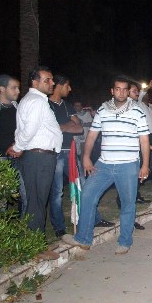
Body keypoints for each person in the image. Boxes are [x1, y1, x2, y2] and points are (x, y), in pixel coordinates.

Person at [63, 76, 150, 255]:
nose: (121, 92)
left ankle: (125, 241)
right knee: (87, 195)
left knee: (127, 204)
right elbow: (92, 135)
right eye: (117, 89)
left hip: (128, 165)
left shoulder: (137, 111)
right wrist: (86, 157)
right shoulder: (103, 109)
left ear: (128, 92)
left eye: (125, 89)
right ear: (112, 91)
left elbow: (144, 140)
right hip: (104, 164)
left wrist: (145, 165)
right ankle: (83, 239)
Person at [11, 66, 63, 232]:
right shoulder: (37, 101)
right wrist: (18, 147)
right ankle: (36, 241)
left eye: (52, 79)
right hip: (39, 158)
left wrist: (19, 146)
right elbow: (29, 129)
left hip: (38, 157)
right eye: (47, 80)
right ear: (34, 82)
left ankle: (35, 239)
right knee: (36, 202)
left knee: (37, 201)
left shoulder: (34, 100)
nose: (52, 83)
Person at [48, 74, 84, 237]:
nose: (70, 89)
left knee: (81, 185)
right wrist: (68, 125)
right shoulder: (45, 104)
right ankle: (59, 227)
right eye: (67, 86)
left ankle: (88, 218)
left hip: (70, 151)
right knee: (57, 192)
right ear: (59, 85)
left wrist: (61, 126)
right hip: (55, 152)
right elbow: (50, 128)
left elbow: (79, 127)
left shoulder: (67, 105)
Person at [0, 74, 25, 212]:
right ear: (2, 89)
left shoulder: (18, 108)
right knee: (0, 198)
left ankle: (23, 222)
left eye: (18, 88)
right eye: (14, 88)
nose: (18, 91)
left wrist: (19, 146)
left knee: (24, 192)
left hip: (17, 156)